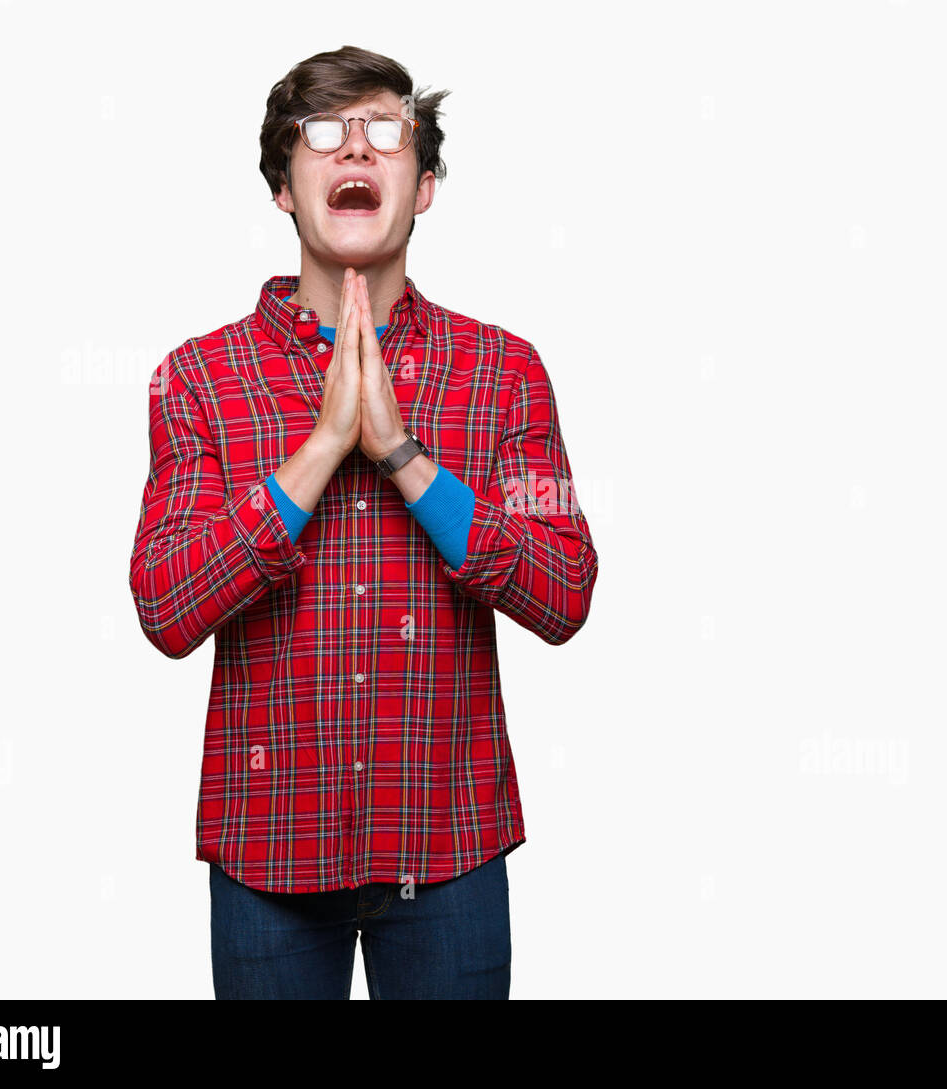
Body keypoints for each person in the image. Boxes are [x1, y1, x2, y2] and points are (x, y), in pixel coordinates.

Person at [127, 45, 598, 999]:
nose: (355, 149)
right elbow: (167, 606)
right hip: (267, 856)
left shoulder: (507, 373)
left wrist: (401, 456)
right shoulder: (196, 378)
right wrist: (323, 446)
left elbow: (564, 589)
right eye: (322, 134)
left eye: (384, 133)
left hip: (452, 851)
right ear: (283, 190)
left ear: (423, 186)